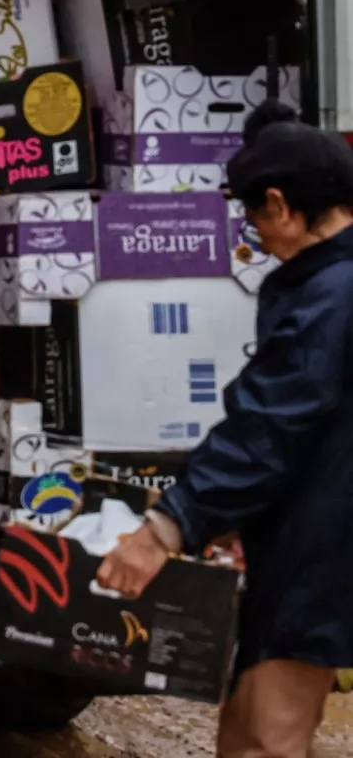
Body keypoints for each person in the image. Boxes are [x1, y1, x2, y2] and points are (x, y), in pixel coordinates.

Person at [99, 99, 353, 758]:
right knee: (247, 732)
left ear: (280, 204)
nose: (252, 235)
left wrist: (167, 527)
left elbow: (269, 429)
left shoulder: (331, 296)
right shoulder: (327, 285)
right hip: (309, 546)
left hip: (324, 558)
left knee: (264, 741)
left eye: (252, 215)